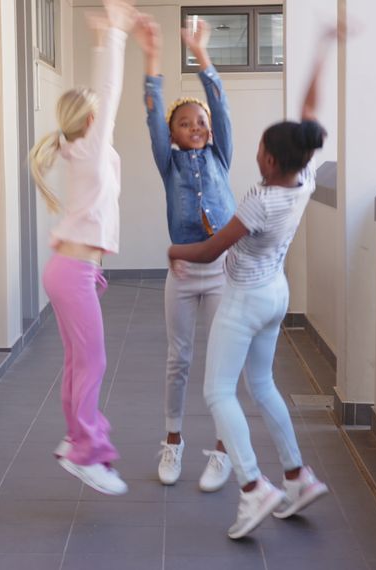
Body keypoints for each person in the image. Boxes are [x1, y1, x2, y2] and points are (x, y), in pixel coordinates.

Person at [166, 26, 340, 538]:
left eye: (261, 148)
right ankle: (297, 477)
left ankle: (252, 486)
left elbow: (210, 250)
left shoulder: (261, 201)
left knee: (218, 391)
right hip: (276, 295)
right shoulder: (304, 177)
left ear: (267, 160)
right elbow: (309, 112)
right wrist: (322, 48)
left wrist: (174, 250)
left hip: (243, 300)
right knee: (261, 385)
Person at [28, 0, 138, 496]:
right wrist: (115, 33)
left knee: (80, 361)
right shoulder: (89, 150)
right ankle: (86, 452)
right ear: (91, 120)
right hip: (72, 271)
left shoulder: (85, 152)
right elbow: (109, 91)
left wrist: (100, 38)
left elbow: (101, 101)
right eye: (101, 118)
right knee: (92, 362)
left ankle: (77, 437)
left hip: (71, 269)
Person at [134, 15, 234, 491]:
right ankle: (172, 440)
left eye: (201, 122)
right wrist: (153, 54)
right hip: (184, 273)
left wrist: (200, 53)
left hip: (224, 272)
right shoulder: (168, 163)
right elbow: (153, 112)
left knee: (222, 361)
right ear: (172, 133)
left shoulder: (220, 156)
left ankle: (223, 448)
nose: (195, 126)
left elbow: (220, 103)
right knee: (180, 359)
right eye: (184, 123)